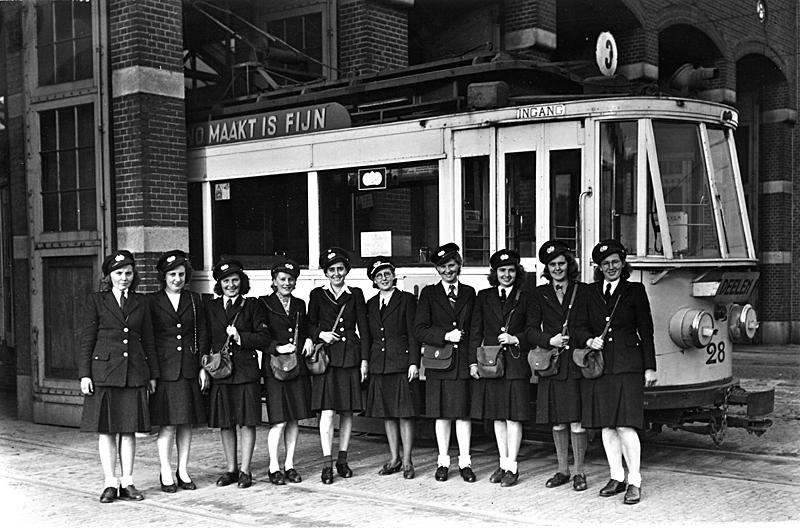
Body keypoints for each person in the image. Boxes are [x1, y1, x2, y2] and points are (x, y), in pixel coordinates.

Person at [576, 239, 657, 505]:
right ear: (598, 267)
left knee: (626, 425)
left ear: (623, 264)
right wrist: (589, 340)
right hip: (600, 368)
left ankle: (634, 480)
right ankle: (616, 476)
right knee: (607, 425)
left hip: (628, 366)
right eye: (605, 263)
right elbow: (577, 327)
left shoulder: (634, 290)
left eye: (615, 262)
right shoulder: (588, 292)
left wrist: (649, 367)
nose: (610, 267)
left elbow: (646, 330)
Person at [79, 250, 158, 503]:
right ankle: (110, 483)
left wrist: (153, 374)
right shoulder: (96, 301)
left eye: (128, 273)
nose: (124, 278)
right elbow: (87, 340)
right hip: (104, 373)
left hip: (134, 373)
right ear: (109, 276)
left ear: (134, 275)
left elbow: (149, 340)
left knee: (129, 430)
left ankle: (128, 482)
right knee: (107, 431)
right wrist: (84, 375)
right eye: (119, 273)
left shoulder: (141, 302)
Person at [469, 249, 534, 487]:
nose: (506, 275)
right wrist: (473, 362)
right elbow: (475, 330)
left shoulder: (526, 297)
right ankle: (502, 462)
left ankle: (513, 466)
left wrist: (516, 338)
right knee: (498, 416)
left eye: (511, 270)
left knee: (514, 416)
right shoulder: (484, 296)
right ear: (494, 273)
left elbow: (533, 330)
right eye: (502, 270)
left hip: (516, 363)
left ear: (517, 272)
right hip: (492, 364)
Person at [204, 259, 270, 489]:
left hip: (246, 371)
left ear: (241, 282)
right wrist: (204, 369)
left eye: (234, 280)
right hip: (221, 372)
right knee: (225, 422)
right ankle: (231, 469)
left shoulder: (252, 306)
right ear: (219, 284)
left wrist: (241, 336)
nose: (231, 285)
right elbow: (205, 339)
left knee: (246, 422)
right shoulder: (211, 307)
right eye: (225, 281)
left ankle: (245, 470)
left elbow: (263, 338)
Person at [414, 242, 477, 483]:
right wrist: (445, 336)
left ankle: (465, 462)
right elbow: (420, 329)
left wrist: (473, 362)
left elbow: (474, 329)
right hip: (439, 362)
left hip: (461, 363)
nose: (447, 271)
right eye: (442, 267)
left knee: (462, 415)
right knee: (441, 415)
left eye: (451, 265)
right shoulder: (430, 294)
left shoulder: (470, 292)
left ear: (459, 265)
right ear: (437, 270)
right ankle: (443, 461)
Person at [307, 247, 369, 484]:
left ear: (347, 270)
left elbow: (363, 328)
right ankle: (327, 462)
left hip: (350, 358)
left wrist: (364, 360)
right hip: (327, 361)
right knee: (327, 411)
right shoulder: (317, 295)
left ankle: (343, 459)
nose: (336, 274)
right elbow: (309, 324)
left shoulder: (356, 294)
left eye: (340, 269)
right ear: (326, 272)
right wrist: (321, 334)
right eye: (332, 270)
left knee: (346, 411)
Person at [529, 241, 588, 491]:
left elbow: (590, 325)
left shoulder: (583, 291)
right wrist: (548, 340)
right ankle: (562, 470)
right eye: (552, 265)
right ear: (547, 268)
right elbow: (530, 330)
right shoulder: (538, 294)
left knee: (577, 422)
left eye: (561, 263)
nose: (557, 268)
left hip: (574, 364)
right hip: (551, 365)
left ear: (569, 265)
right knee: (557, 422)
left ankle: (579, 472)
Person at [148, 250, 209, 493]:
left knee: (186, 423)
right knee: (168, 424)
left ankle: (182, 470)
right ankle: (165, 471)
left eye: (181, 274)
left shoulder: (195, 300)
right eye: (172, 274)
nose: (177, 279)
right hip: (165, 371)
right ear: (163, 276)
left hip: (189, 369)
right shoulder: (151, 301)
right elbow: (149, 340)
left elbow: (202, 333)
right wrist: (152, 373)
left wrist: (203, 367)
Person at [258, 259, 315, 485]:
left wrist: (310, 338)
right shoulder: (263, 304)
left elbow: (308, 326)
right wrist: (276, 347)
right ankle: (274, 466)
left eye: (291, 279)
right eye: (282, 279)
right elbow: (260, 335)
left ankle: (290, 464)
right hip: (275, 368)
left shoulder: (300, 304)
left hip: (296, 367)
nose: (287, 283)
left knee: (294, 419)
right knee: (279, 421)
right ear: (274, 281)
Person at [364, 257, 421, 479]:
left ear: (393, 276)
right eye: (378, 276)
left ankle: (407, 461)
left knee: (404, 414)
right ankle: (394, 458)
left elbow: (413, 333)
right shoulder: (370, 304)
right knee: (387, 414)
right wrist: (366, 362)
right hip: (379, 364)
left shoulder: (406, 300)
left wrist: (414, 362)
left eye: (387, 274)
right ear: (373, 281)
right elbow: (368, 336)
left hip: (401, 363)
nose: (383, 279)